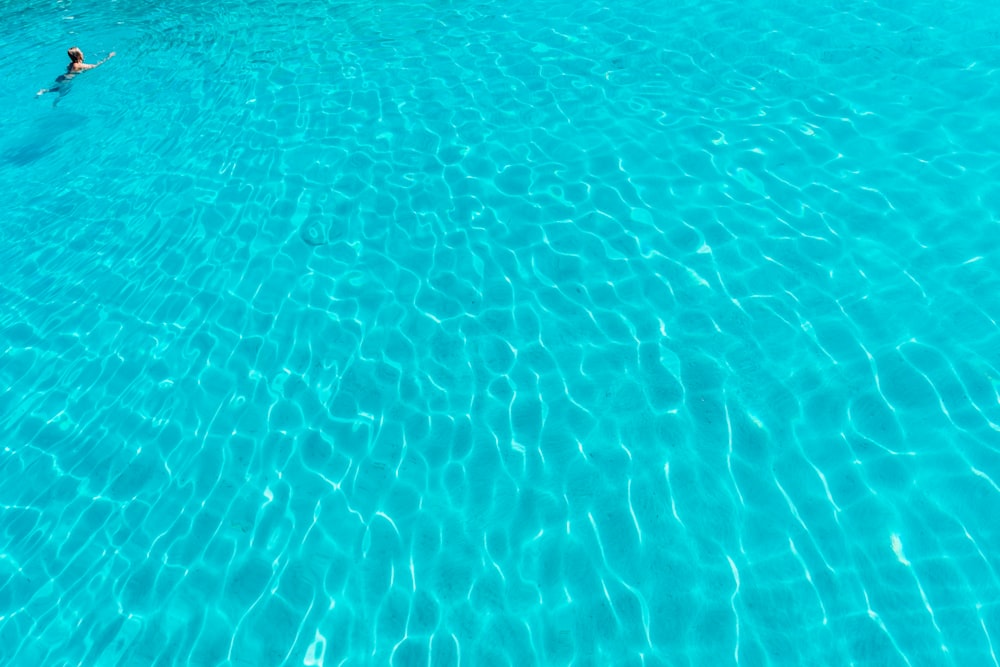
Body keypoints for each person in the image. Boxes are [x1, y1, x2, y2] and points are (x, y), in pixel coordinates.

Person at [37, 47, 116, 101]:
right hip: (67, 80)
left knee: (58, 88)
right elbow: (96, 65)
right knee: (62, 93)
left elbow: (68, 69)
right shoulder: (80, 65)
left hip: (61, 77)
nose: (82, 52)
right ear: (79, 55)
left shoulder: (71, 64)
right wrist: (109, 57)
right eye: (81, 52)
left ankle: (44, 91)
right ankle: (54, 104)